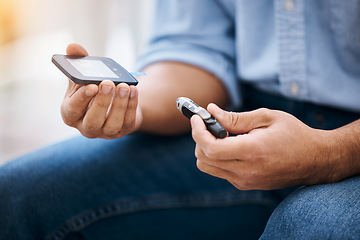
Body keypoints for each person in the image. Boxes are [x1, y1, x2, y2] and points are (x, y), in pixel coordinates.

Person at [1, 0, 360, 239]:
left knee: (307, 224)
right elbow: (193, 49)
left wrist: (330, 152)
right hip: (244, 120)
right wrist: (133, 104)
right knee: (18, 193)